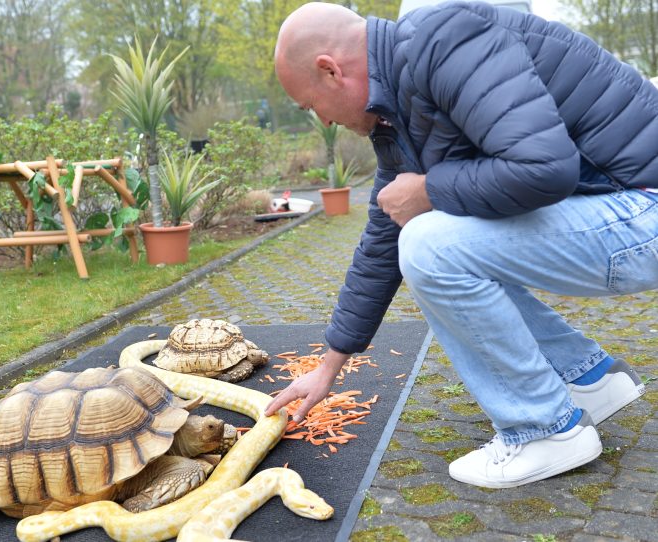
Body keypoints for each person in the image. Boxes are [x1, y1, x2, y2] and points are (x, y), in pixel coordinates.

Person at [264, 1, 658, 489]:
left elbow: (544, 167)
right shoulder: (398, 110)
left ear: (330, 70)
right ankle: (587, 380)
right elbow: (383, 241)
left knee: (432, 243)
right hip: (625, 205)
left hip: (645, 207)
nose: (321, 121)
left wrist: (428, 191)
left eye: (310, 107)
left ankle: (545, 432)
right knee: (436, 236)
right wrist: (329, 367)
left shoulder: (443, 40)